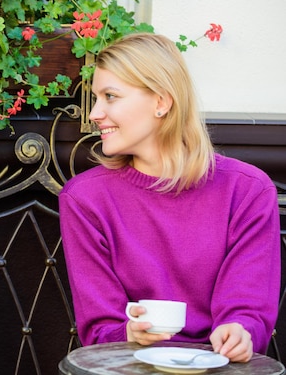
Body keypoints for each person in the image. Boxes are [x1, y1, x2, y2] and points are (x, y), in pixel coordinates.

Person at [59, 33, 280, 363]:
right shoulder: (84, 199)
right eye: (96, 98)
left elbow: (247, 310)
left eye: (110, 96)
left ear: (161, 102)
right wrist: (129, 334)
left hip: (220, 369)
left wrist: (238, 332)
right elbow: (99, 329)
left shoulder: (247, 190)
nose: (95, 113)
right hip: (129, 368)